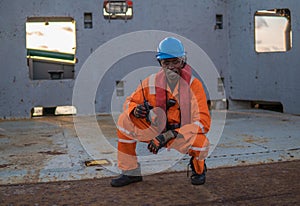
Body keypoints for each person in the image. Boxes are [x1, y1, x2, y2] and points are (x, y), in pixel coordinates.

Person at [111, 37, 211, 187]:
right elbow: (128, 103)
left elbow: (203, 123)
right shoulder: (150, 82)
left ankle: (198, 169)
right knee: (125, 121)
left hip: (180, 134)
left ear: (183, 61)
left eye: (175, 62)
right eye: (166, 63)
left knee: (201, 144)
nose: (171, 67)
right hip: (156, 130)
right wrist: (135, 111)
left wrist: (170, 135)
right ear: (160, 63)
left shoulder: (193, 85)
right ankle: (130, 171)